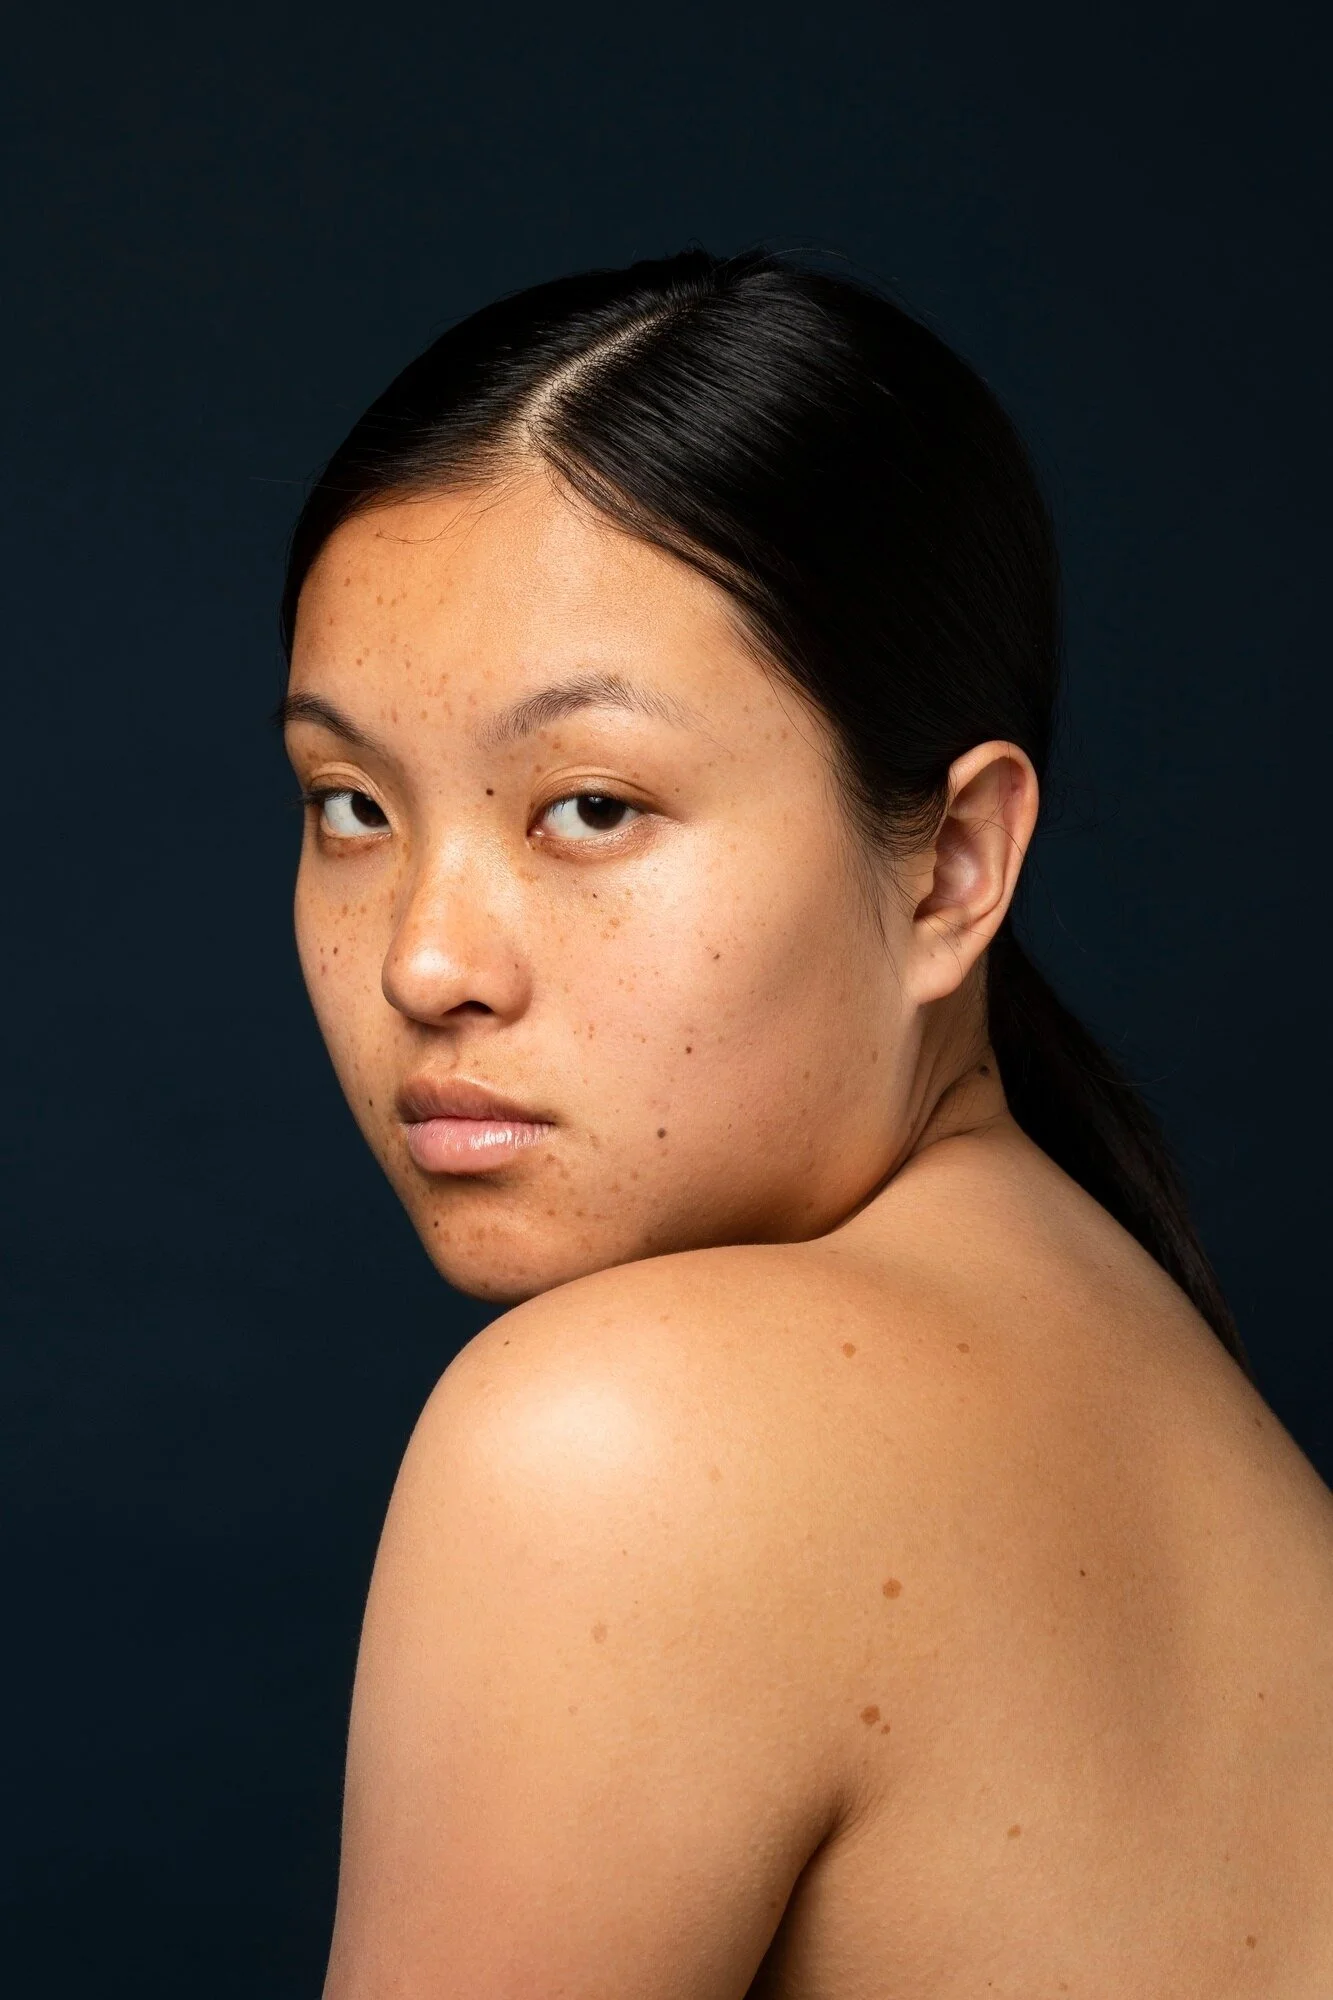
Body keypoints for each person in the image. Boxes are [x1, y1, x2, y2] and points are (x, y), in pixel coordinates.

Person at [278, 249, 1333, 1996]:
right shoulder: (1164, 1397)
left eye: (591, 807)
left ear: (955, 862)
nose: (427, 958)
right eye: (348, 803)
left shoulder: (620, 1440)